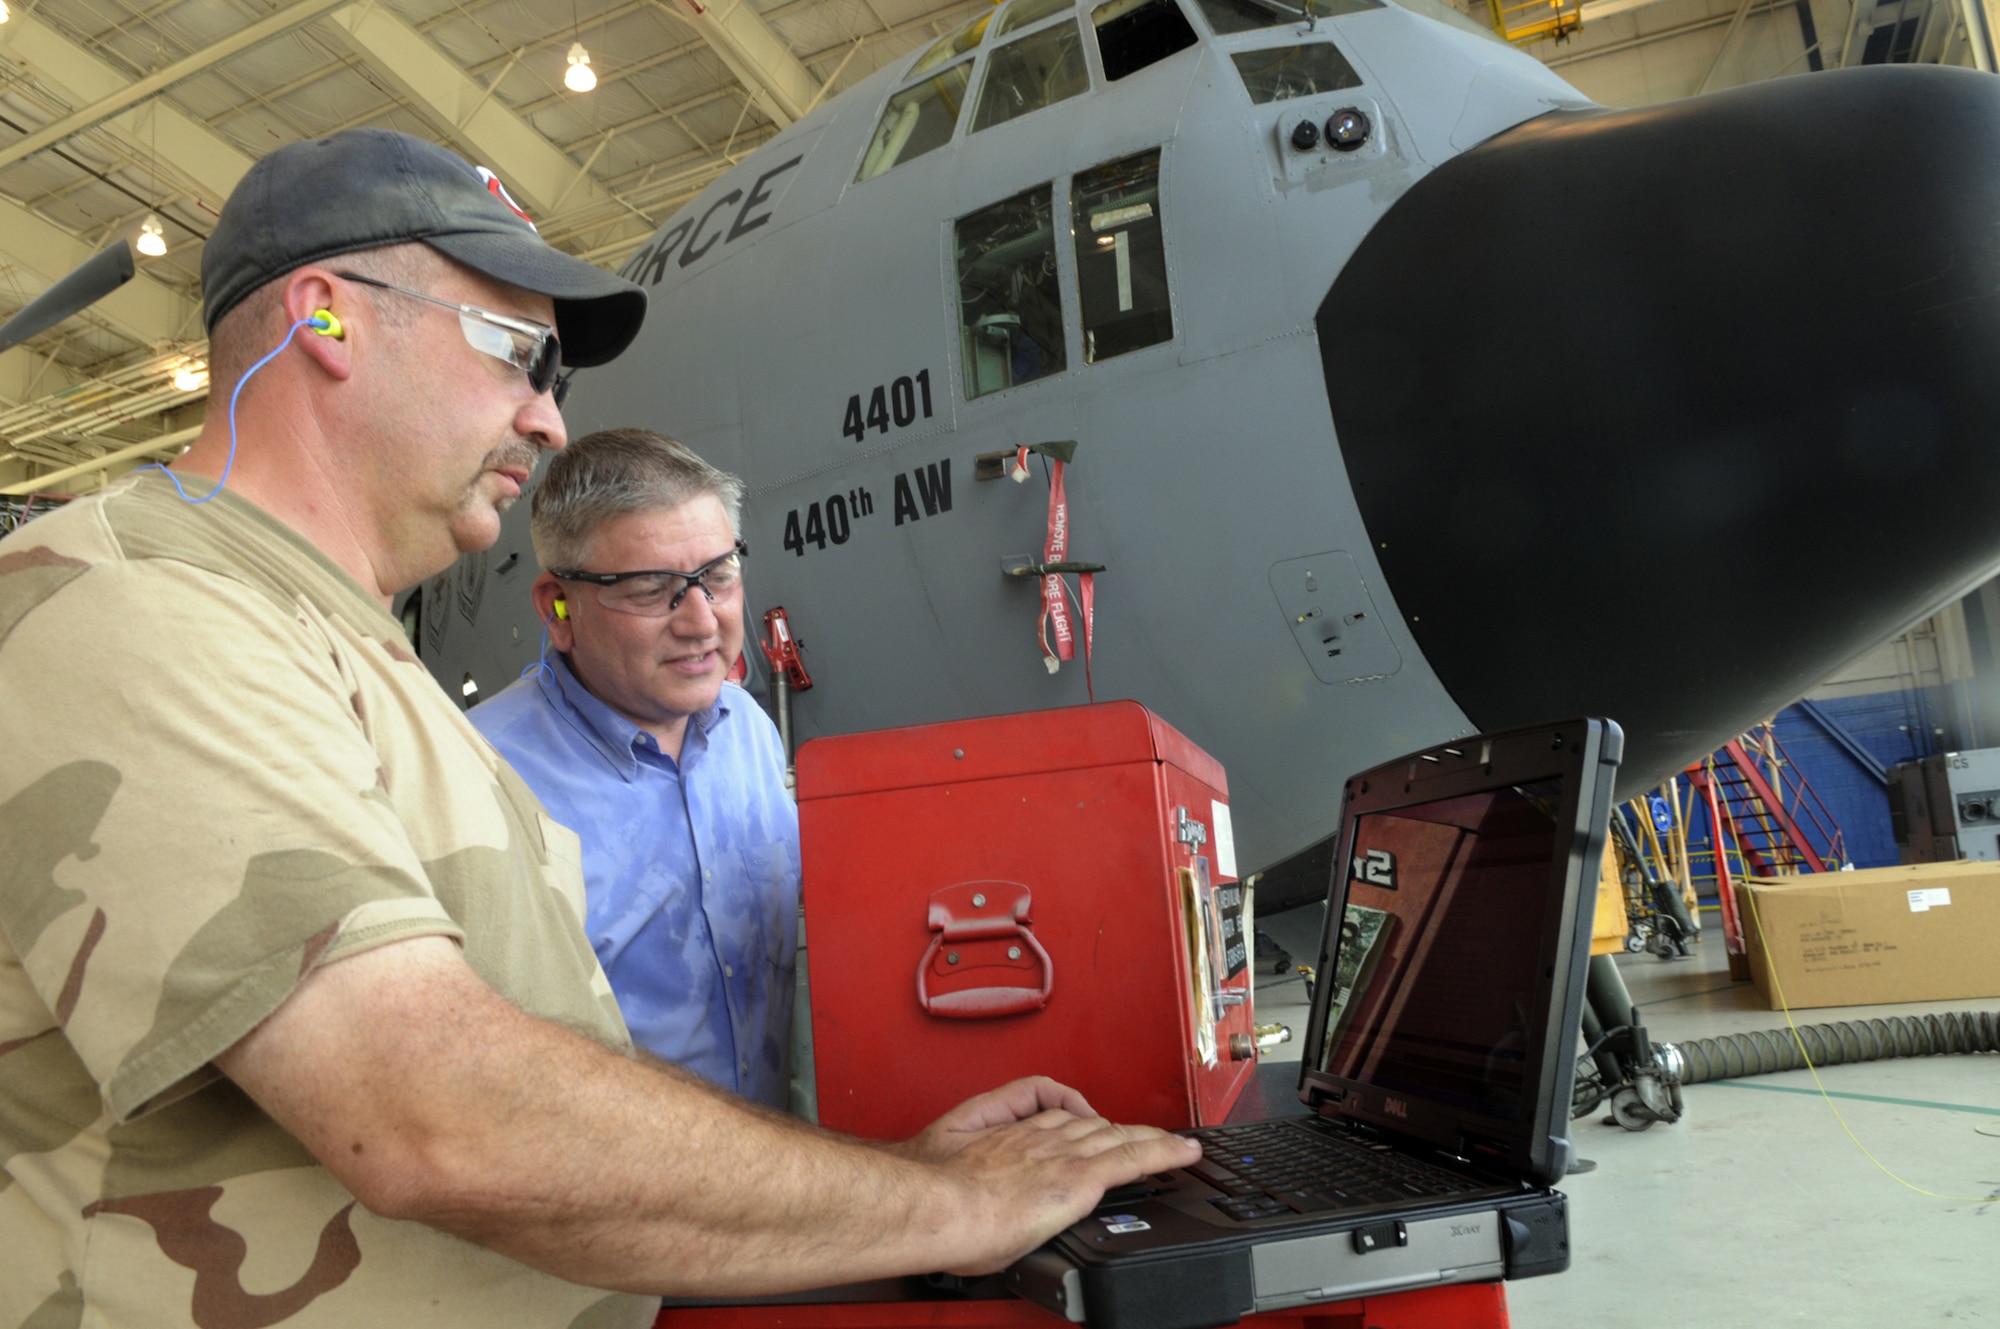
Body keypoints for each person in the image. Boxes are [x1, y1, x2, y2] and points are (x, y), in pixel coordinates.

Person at [0, 128, 1200, 1329]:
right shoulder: (140, 604)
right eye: (519, 356)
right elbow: (431, 1112)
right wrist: (938, 1205)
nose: (547, 422)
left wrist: (882, 1186)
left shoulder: (349, 651)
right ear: (325, 320)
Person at [470, 430, 799, 1108]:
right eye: (654, 590)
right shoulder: (482, 778)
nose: (702, 621)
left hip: (778, 1167)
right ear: (558, 607)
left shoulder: (750, 734)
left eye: (718, 575)